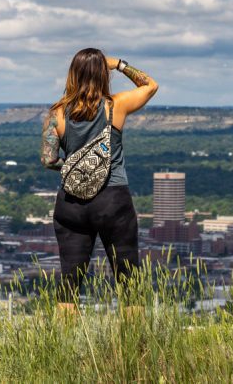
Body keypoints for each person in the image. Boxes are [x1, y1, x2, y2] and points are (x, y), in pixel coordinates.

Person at [40, 48, 158, 303]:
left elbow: (48, 160)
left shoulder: (56, 114)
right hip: (113, 200)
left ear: (72, 74)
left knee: (68, 284)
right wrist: (119, 64)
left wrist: (76, 167)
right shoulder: (116, 106)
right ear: (102, 75)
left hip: (71, 203)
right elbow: (150, 85)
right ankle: (133, 341)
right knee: (129, 281)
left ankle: (63, 341)